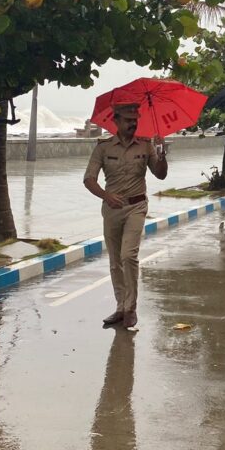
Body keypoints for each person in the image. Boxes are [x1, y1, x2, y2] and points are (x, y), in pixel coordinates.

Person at [83, 103, 168, 330]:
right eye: (128, 119)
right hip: (111, 209)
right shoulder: (103, 148)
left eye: (135, 119)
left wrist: (161, 153)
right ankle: (120, 307)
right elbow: (89, 179)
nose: (133, 123)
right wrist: (105, 195)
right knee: (114, 261)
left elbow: (160, 175)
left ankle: (131, 308)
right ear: (116, 121)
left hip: (136, 207)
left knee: (128, 255)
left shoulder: (146, 145)